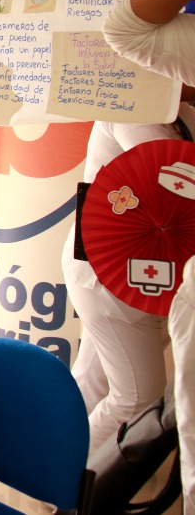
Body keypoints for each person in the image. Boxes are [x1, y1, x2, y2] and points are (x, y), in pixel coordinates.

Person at [102, 0, 195, 515]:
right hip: (120, 271)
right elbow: (125, 28)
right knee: (131, 397)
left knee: (118, 393)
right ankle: (67, 491)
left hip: (144, 271)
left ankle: (66, 490)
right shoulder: (138, 105)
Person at [63, 91, 195, 457]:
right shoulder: (133, 105)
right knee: (138, 397)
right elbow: (166, 174)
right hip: (108, 274)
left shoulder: (178, 112)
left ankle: (47, 475)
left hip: (130, 273)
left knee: (93, 382)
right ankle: (61, 481)